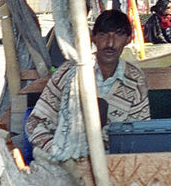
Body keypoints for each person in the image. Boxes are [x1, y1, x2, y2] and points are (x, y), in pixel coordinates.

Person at [26, 10, 150, 156]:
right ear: (93, 39)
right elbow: (34, 123)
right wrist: (58, 152)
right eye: (104, 35)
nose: (110, 43)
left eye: (118, 35)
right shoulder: (69, 73)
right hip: (64, 159)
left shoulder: (135, 80)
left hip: (112, 163)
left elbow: (140, 131)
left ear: (128, 39)